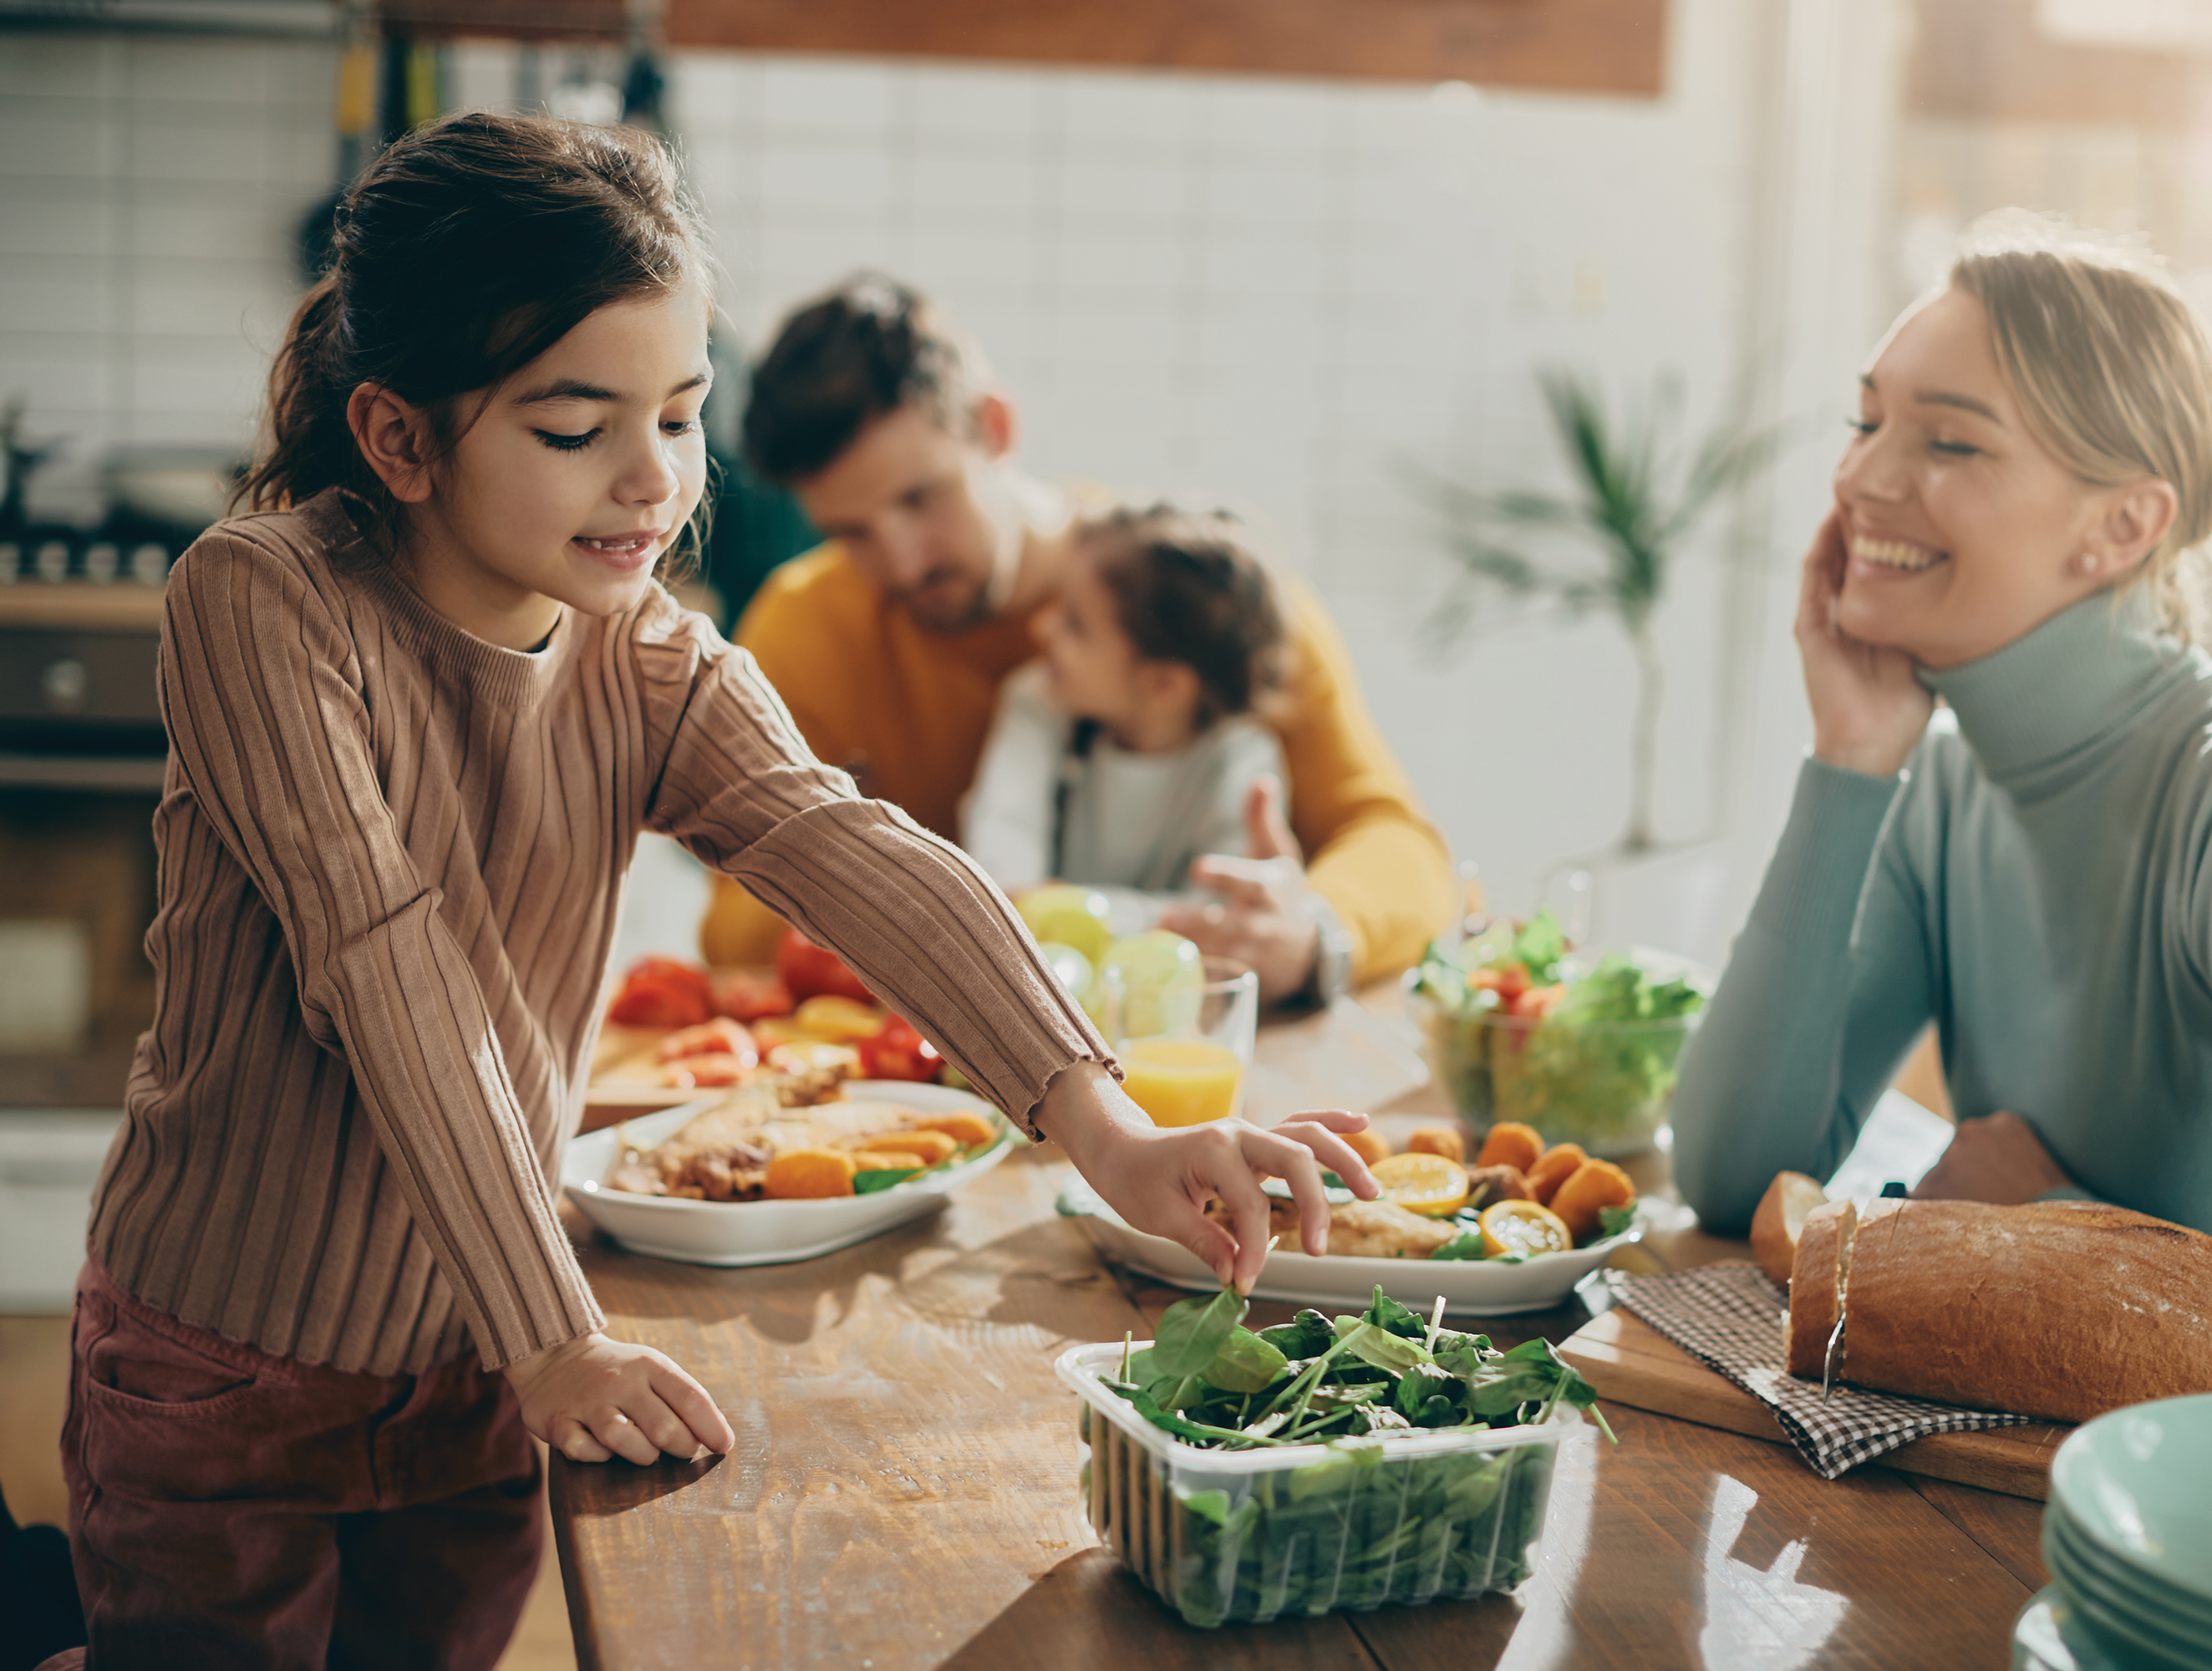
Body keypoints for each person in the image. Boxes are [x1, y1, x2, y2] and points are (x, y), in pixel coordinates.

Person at [64, 114, 1380, 1668]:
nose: (651, 480)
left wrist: (1109, 1125)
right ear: (402, 439)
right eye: (575, 429)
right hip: (232, 1368)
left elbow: (850, 846)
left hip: (477, 1365)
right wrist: (557, 1335)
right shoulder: (264, 599)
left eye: (682, 418)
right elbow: (383, 961)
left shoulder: (650, 651)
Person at [1670, 213, 2212, 1414]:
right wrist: (1849, 764)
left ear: (2122, 527)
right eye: (1866, 423)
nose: (1862, 478)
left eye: (1950, 442)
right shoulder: (1945, 782)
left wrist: (2037, 1227)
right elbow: (1730, 1177)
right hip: (2130, 1471)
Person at [699, 276, 1452, 1004]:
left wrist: (1313, 932)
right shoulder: (803, 629)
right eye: (850, 532)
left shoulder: (1205, 592)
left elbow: (1398, 844)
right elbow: (735, 921)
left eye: (922, 498)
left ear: (997, 429)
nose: (903, 563)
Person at [960, 501, 1292, 924]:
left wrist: (1055, 907)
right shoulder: (1037, 701)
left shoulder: (1241, 761)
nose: (1042, 628)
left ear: (1163, 685)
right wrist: (1154, 918)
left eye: (1075, 624)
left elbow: (1223, 921)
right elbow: (996, 885)